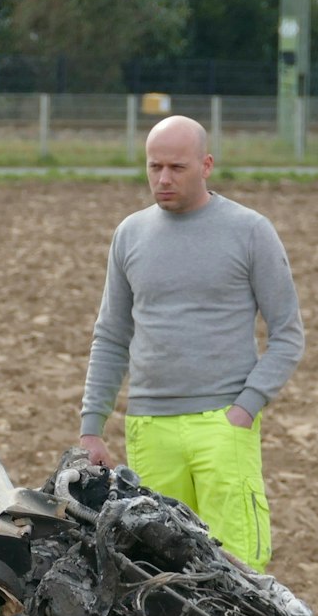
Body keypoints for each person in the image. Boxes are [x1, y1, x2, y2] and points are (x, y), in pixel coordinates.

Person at [78, 115, 305, 571]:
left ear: (206, 165)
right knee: (159, 569)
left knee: (239, 568)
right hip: (149, 427)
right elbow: (111, 335)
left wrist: (244, 409)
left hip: (222, 425)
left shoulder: (250, 230)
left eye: (177, 168)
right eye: (153, 166)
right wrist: (92, 426)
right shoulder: (129, 234)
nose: (163, 178)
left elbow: (287, 334)